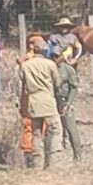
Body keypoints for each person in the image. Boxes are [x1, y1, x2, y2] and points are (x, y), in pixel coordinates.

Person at [20, 40, 62, 169]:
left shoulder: (25, 65)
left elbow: (22, 85)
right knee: (56, 130)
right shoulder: (50, 64)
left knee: (36, 133)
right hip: (48, 101)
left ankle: (37, 164)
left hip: (33, 101)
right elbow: (58, 83)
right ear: (45, 50)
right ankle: (53, 162)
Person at [18, 34, 47, 157]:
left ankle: (35, 149)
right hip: (31, 95)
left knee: (36, 123)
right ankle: (29, 151)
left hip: (31, 95)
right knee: (29, 123)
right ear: (32, 46)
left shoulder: (24, 60)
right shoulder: (27, 60)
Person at [52, 46, 82, 161]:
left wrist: (68, 103)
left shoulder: (68, 69)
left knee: (70, 128)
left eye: (57, 56)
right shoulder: (49, 68)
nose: (55, 59)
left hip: (65, 101)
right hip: (52, 100)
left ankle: (77, 155)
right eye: (53, 56)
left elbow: (74, 88)